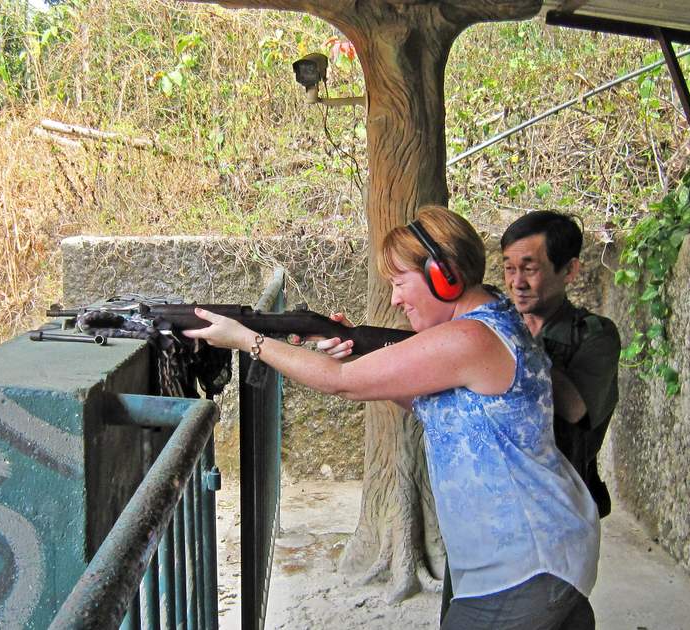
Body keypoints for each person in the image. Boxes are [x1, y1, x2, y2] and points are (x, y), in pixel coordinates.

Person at [185, 205, 600, 629]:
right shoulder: (490, 315)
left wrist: (247, 340)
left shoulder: (470, 337)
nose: (396, 299)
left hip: (527, 562)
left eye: (400, 283)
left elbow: (342, 382)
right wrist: (355, 346)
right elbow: (432, 405)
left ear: (445, 274)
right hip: (542, 548)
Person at [500, 211, 621, 519]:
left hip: (557, 507)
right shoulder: (498, 325)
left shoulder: (595, 335)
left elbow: (574, 409)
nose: (517, 283)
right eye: (509, 269)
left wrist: (514, 341)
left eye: (529, 269)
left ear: (569, 270)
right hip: (495, 500)